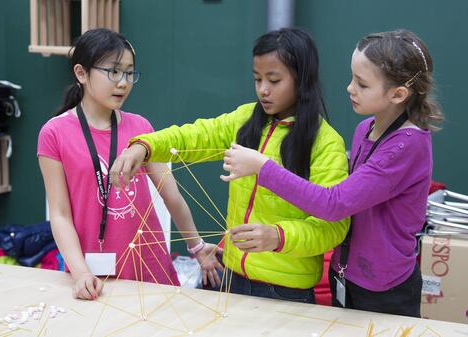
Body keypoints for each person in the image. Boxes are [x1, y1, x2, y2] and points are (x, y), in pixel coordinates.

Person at [109, 28, 350, 303]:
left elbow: (333, 227)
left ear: (302, 79)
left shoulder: (326, 143)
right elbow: (192, 136)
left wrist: (278, 236)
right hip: (233, 279)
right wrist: (145, 146)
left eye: (274, 80)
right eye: (257, 78)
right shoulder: (245, 119)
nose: (263, 89)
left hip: (287, 292)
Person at [220, 29, 443, 317]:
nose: (350, 88)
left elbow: (334, 204)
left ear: (398, 94)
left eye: (362, 84)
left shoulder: (407, 146)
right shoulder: (365, 130)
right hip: (346, 277)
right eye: (352, 78)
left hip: (385, 290)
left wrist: (264, 168)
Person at [37, 28, 222, 300]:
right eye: (113, 72)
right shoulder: (54, 133)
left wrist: (196, 246)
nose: (123, 82)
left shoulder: (141, 128)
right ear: (81, 73)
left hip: (151, 271)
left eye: (129, 73)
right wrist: (80, 274)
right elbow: (60, 214)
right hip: (90, 277)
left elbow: (172, 196)